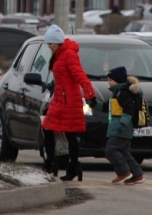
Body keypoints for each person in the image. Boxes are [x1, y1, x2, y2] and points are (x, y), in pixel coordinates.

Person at [41, 24, 97, 182]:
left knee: (69, 134)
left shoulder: (69, 54)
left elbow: (80, 75)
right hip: (59, 99)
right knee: (48, 128)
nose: (49, 47)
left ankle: (69, 166)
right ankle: (54, 164)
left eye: (50, 43)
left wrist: (90, 95)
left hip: (69, 101)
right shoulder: (60, 54)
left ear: (58, 42)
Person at [100, 66, 144, 185]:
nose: (108, 83)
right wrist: (93, 103)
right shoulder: (117, 93)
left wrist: (122, 125)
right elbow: (107, 108)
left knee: (110, 150)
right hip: (120, 128)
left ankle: (123, 173)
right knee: (124, 152)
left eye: (110, 80)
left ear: (118, 81)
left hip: (120, 129)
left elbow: (128, 111)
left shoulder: (123, 93)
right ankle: (137, 175)